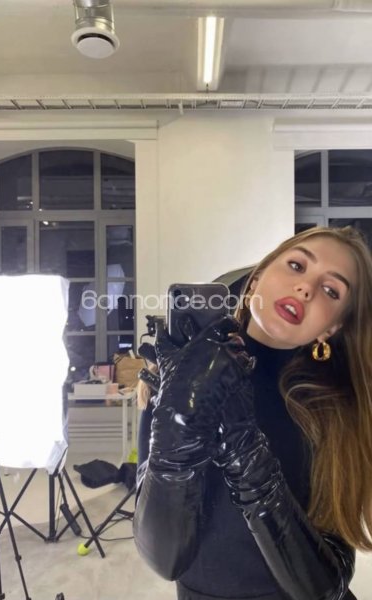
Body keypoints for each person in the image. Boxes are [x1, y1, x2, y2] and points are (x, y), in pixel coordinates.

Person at [133, 225, 372, 600]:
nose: (305, 288)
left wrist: (242, 445)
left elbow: (325, 588)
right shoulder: (177, 376)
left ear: (333, 327)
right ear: (256, 279)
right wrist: (178, 423)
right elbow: (166, 560)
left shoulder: (339, 410)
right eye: (297, 265)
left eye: (331, 290)